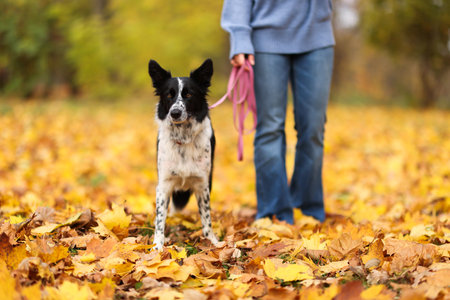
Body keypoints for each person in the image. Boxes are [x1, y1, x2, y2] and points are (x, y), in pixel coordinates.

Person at [221, 0, 335, 223]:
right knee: (270, 127)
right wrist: (239, 38)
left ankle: (308, 208)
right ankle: (274, 213)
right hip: (265, 38)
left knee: (313, 128)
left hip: (317, 36)